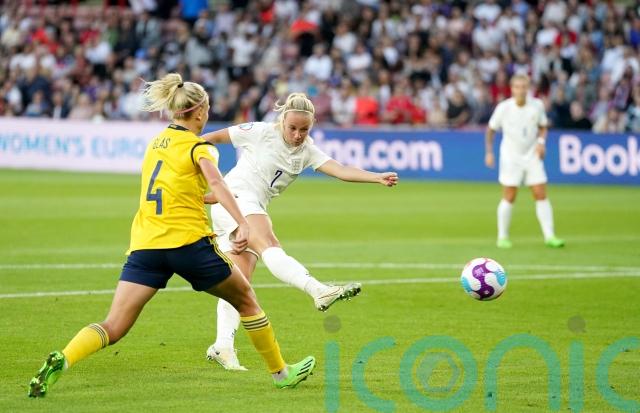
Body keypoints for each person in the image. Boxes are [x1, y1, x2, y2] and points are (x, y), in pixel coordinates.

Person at [28, 74, 315, 398]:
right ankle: (281, 373)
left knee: (114, 325)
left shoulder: (156, 143)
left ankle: (64, 358)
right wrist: (242, 222)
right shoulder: (200, 148)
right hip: (188, 243)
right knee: (246, 299)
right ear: (199, 111)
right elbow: (217, 183)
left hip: (146, 245)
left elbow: (178, 186)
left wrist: (203, 197)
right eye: (207, 108)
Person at [200, 92, 398, 370]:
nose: (297, 135)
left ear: (311, 126)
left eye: (303, 130)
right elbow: (211, 138)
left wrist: (376, 177)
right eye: (292, 128)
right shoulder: (260, 132)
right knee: (269, 243)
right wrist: (189, 156)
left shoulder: (307, 151)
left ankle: (223, 346)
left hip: (245, 206)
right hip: (235, 199)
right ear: (282, 120)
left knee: (239, 283)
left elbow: (340, 170)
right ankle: (318, 290)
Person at [485, 73, 565, 249]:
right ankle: (502, 237)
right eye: (517, 87)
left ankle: (550, 236)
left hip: (532, 155)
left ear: (528, 89)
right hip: (510, 157)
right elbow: (491, 130)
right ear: (512, 89)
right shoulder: (504, 108)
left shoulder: (537, 105)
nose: (520, 90)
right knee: (509, 195)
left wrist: (541, 143)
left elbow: (543, 126)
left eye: (523, 87)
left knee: (540, 193)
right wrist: (489, 152)